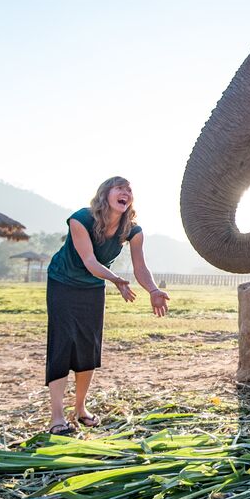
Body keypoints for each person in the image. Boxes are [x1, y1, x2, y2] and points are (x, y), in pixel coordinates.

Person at [43, 176, 170, 435]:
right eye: (120, 188)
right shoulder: (81, 219)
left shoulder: (132, 230)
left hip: (92, 287)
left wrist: (154, 290)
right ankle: (57, 416)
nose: (126, 192)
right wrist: (115, 280)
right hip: (63, 282)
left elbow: (140, 267)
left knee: (88, 346)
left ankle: (80, 408)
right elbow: (89, 259)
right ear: (106, 194)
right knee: (62, 344)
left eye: (129, 190)